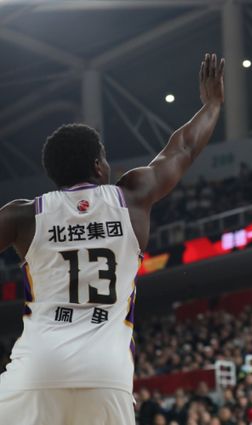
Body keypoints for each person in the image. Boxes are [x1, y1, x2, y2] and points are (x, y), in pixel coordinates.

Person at [0, 53, 225, 424]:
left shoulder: (23, 215)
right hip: (107, 375)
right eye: (104, 156)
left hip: (37, 369)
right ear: (97, 165)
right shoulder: (132, 197)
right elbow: (183, 148)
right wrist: (211, 106)